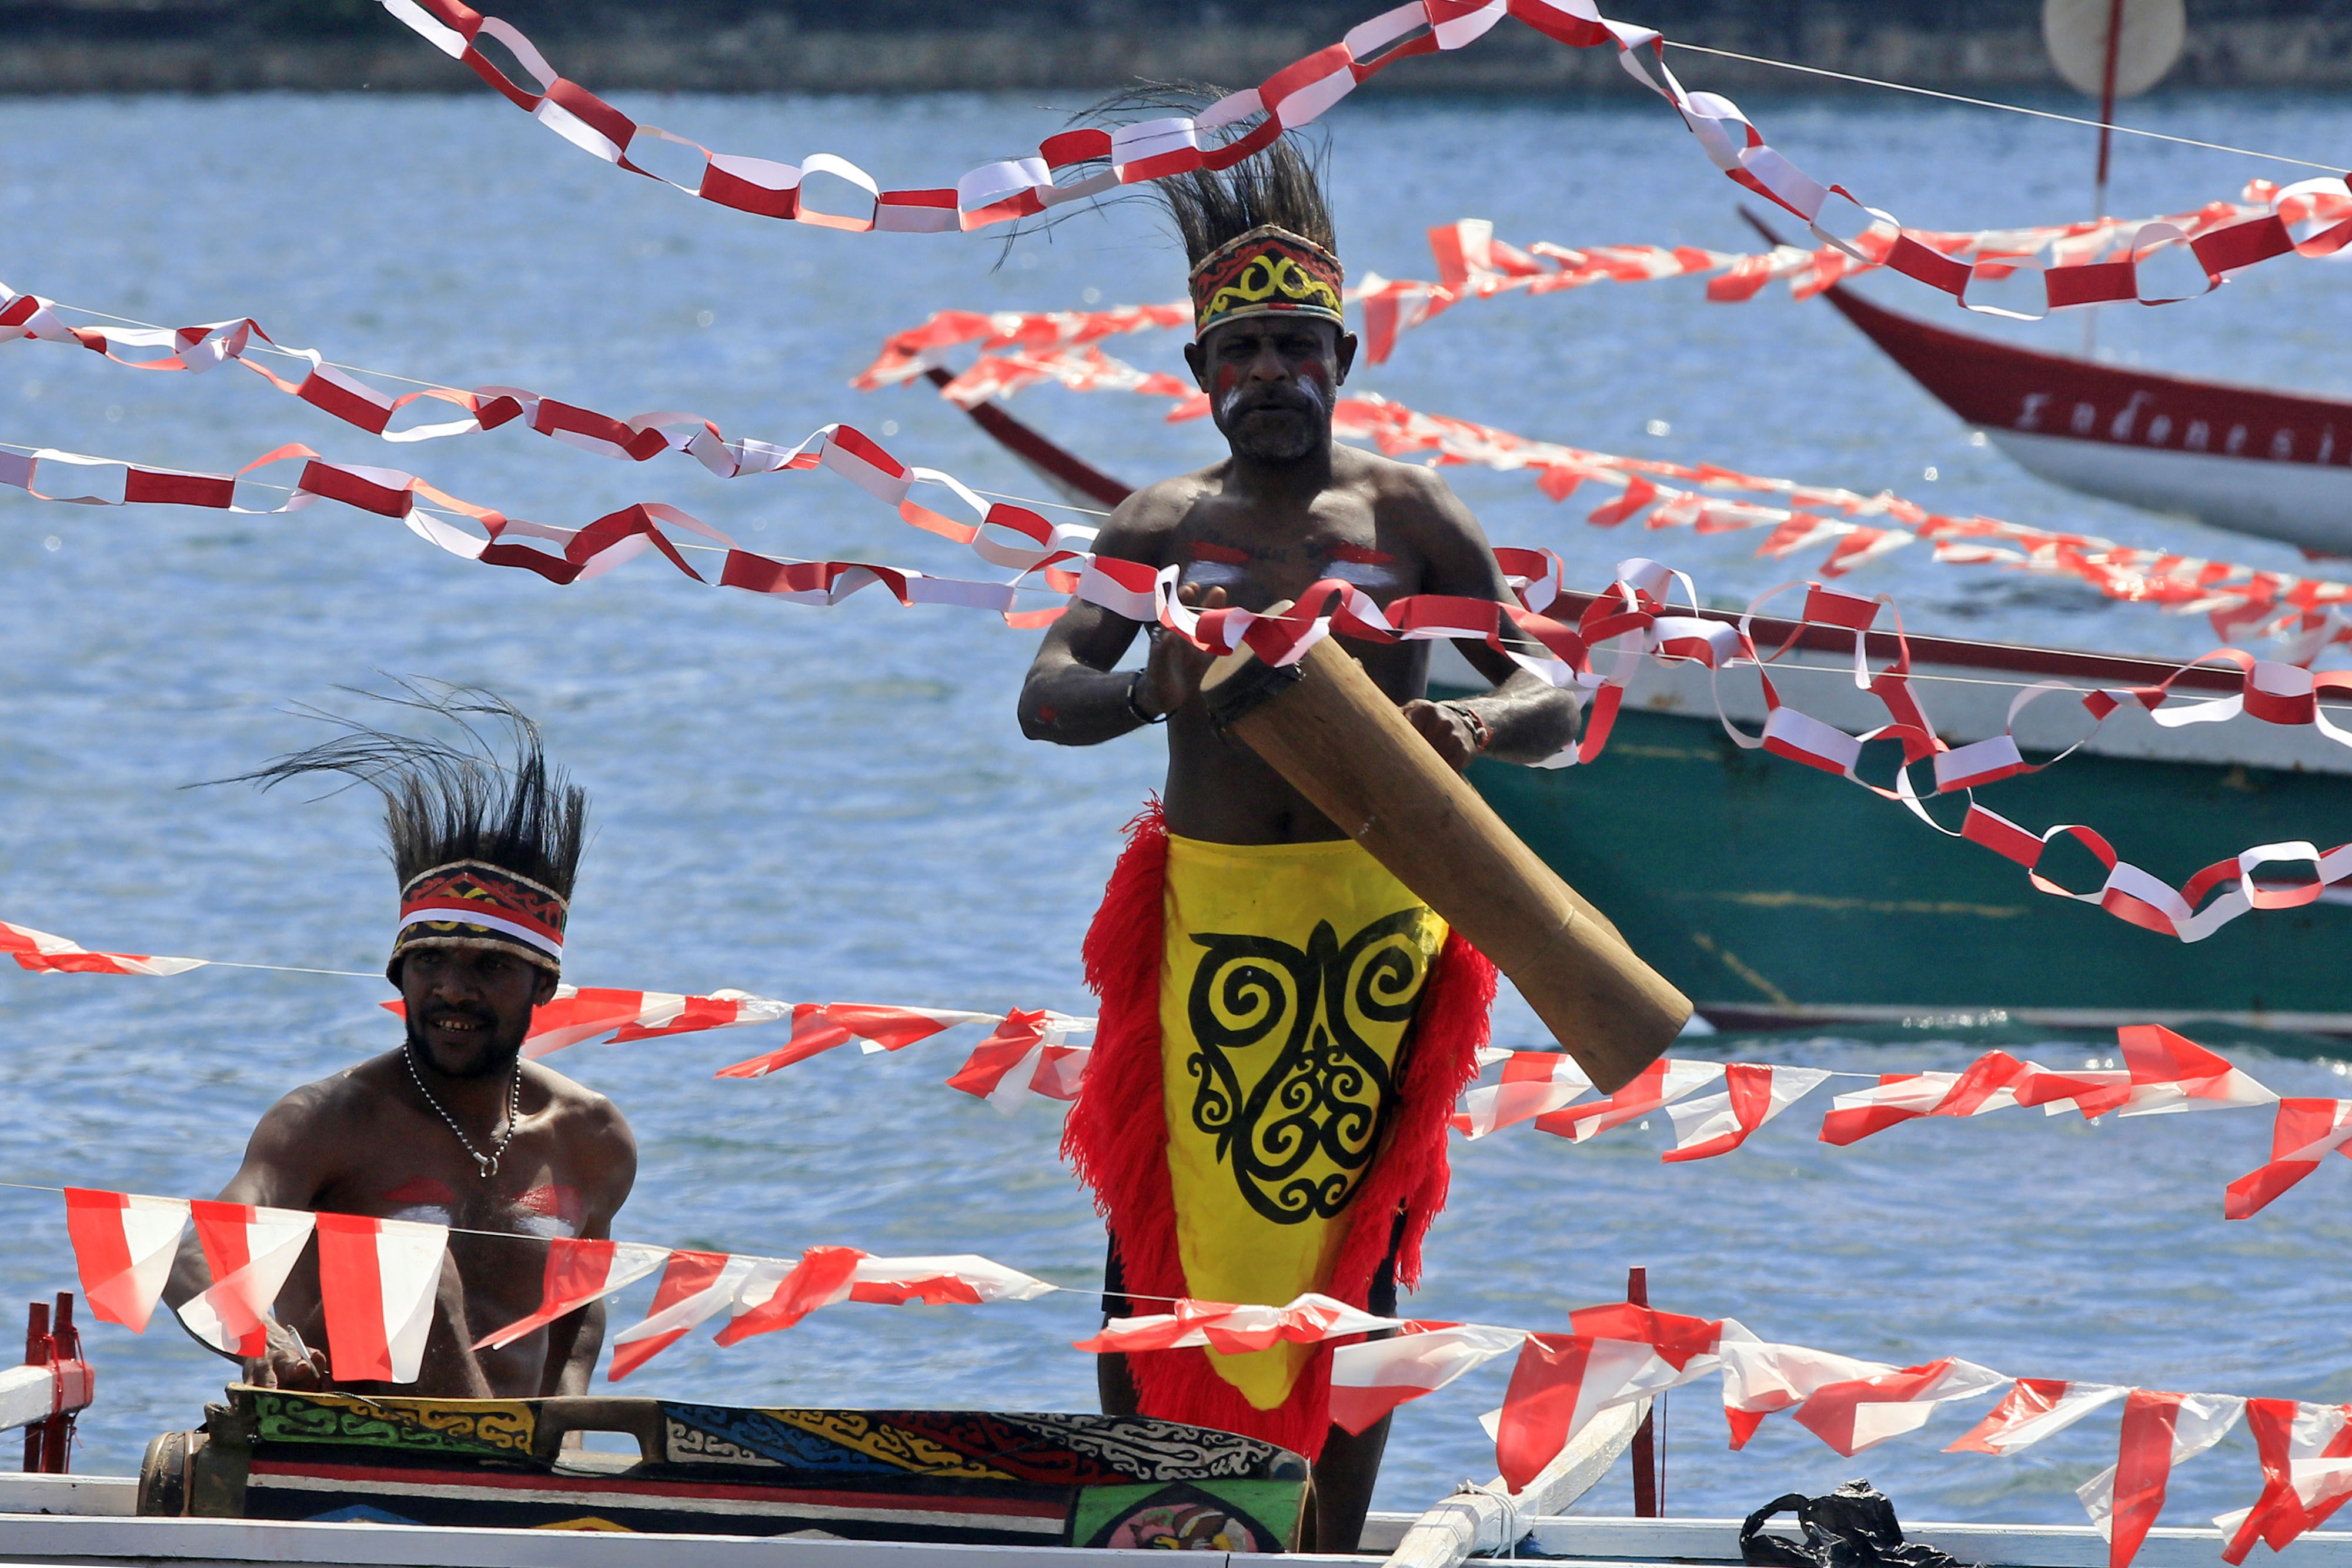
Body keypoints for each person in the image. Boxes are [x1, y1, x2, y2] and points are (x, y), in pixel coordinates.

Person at [1020, 135, 1582, 1547]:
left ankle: (1322, 1550)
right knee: (1151, 1248)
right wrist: (1142, 689)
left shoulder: (1411, 517)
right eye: (1241, 350)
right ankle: (1160, 1532)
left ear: (1344, 356)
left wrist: (1476, 726)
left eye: (1292, 346)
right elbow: (1044, 695)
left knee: (1356, 1256)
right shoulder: (1157, 526)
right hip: (1203, 926)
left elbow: (1554, 691)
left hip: (1376, 926)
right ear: (1198, 371)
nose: (1268, 372)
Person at [165, 686, 636, 1398]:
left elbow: (578, 1309)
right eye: (430, 963)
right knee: (406, 1261)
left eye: (489, 968)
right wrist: (257, 1334)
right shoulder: (328, 1120)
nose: (453, 990)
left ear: (542, 986)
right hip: (349, 1437)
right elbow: (192, 1255)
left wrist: (565, 1434)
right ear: (399, 975)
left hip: (514, 1454)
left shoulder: (592, 1136)